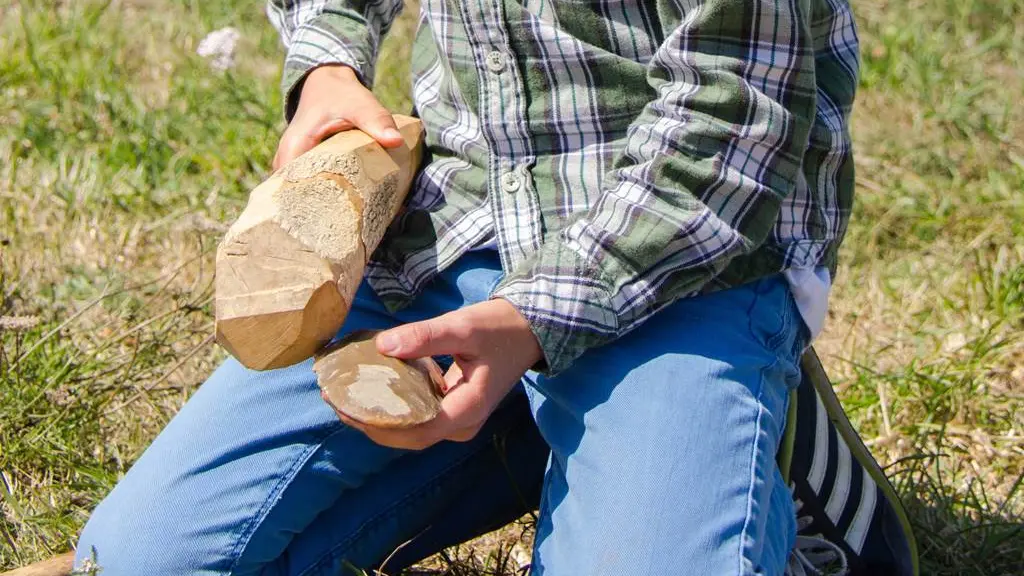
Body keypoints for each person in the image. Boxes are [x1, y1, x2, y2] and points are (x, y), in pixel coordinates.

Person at [75, 0, 864, 574]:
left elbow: (736, 122)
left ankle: (741, 441)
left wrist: (532, 319)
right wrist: (326, 61)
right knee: (141, 560)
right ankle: (532, 425)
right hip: (461, 225)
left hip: (683, 258)